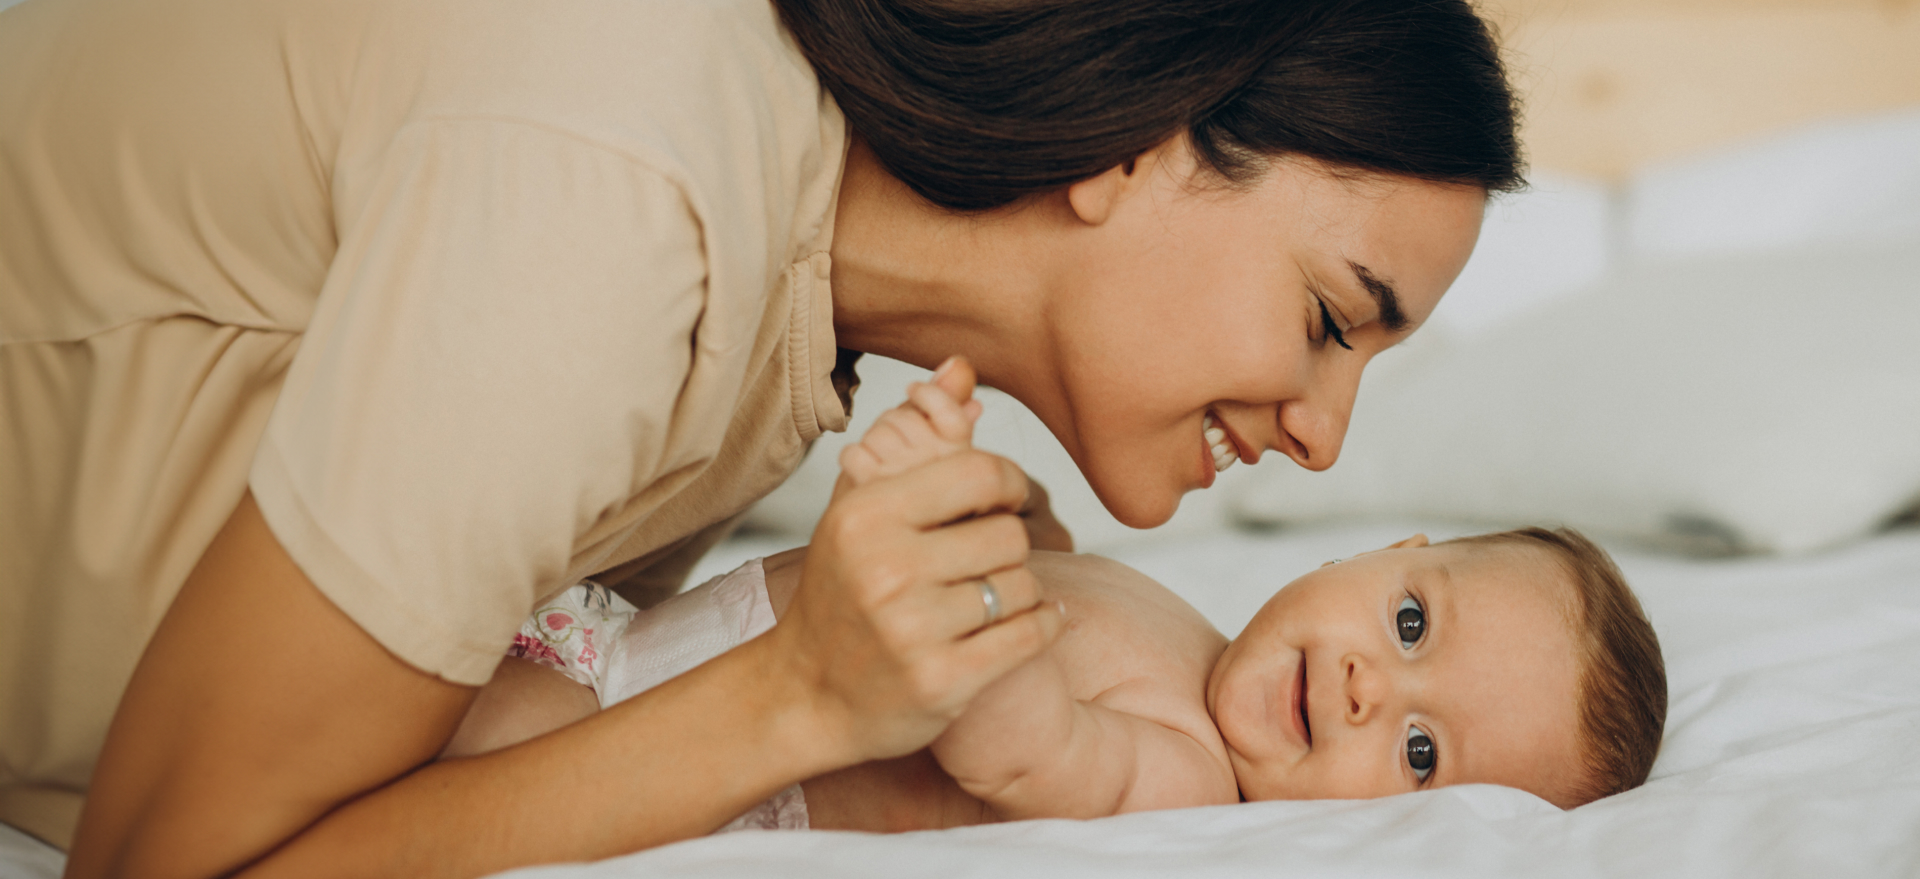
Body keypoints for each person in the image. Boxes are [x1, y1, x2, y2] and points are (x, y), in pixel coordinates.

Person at [0, 0, 1522, 871]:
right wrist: (797, 696)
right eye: (1334, 318)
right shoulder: (619, 200)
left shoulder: (798, 335)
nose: (1327, 441)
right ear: (1138, 143)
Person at [447, 372, 1668, 829]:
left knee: (405, 773)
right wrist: (1021, 520)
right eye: (1410, 625)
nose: (1368, 686)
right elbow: (1069, 595)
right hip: (620, 645)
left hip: (664, 758)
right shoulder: (1188, 635)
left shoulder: (1187, 775)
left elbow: (1022, 745)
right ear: (1388, 554)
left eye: (1418, 750)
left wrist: (949, 538)